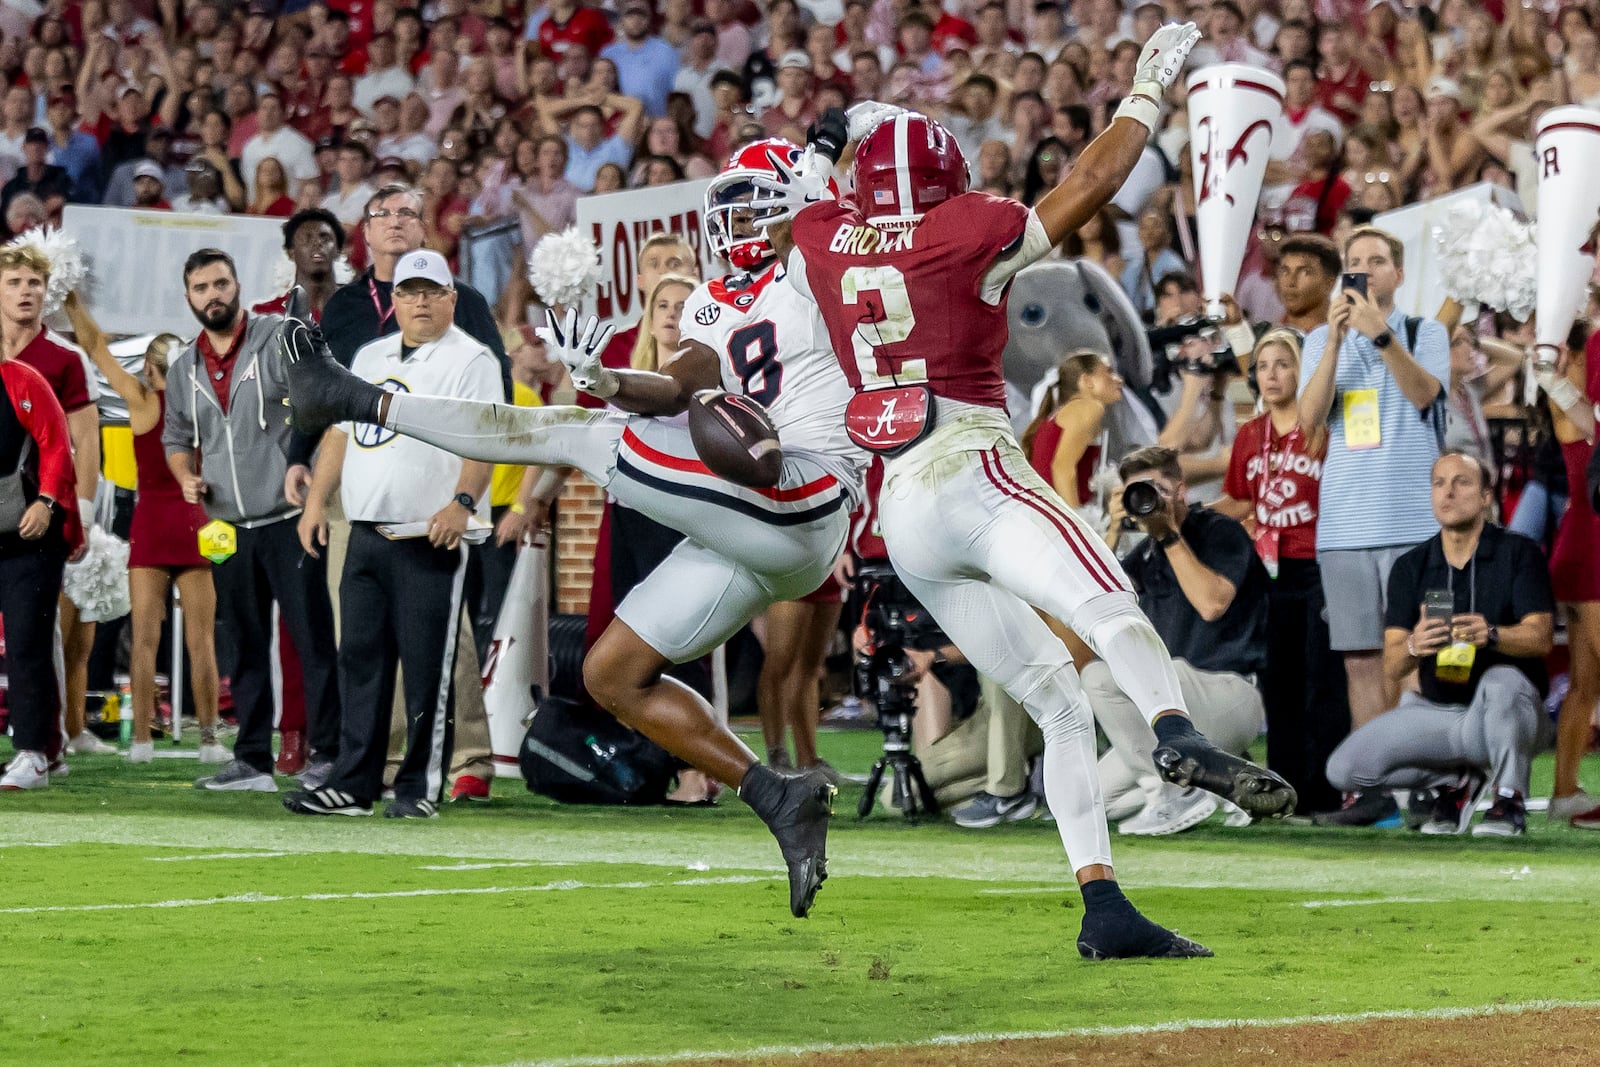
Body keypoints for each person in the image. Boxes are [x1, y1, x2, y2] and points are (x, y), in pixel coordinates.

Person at [757, 25, 1288, 960]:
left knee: (1058, 702)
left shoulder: (819, 238)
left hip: (901, 513)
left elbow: (809, 186)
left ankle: (1103, 904)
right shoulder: (968, 228)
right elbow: (1089, 184)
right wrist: (1146, 90)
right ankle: (1176, 732)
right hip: (970, 465)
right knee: (1111, 603)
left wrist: (833, 133)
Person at [283, 140, 861, 918]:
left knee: (570, 433)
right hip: (753, 520)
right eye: (730, 200)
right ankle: (778, 796)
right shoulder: (715, 300)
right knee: (610, 673)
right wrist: (608, 379)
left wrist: (828, 158)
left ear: (800, 201)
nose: (735, 217)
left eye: (757, 197)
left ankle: (357, 399)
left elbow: (843, 231)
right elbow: (681, 382)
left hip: (807, 489)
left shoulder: (824, 266)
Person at [299, 183, 510, 800]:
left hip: (431, 521)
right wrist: (316, 498)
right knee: (360, 651)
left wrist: (466, 502)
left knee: (436, 655)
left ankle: (440, 771)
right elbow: (337, 423)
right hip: (362, 516)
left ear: (449, 295)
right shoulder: (358, 337)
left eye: (430, 292)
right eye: (409, 293)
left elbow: (489, 429)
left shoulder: (469, 341)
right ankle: (361, 777)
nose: (419, 302)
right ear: (394, 298)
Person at [163, 249, 341, 792]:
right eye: (201, 287)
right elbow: (175, 438)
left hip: (288, 517)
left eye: (220, 283)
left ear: (237, 285)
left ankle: (330, 754)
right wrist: (184, 479)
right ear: (189, 297)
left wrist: (303, 470)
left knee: (312, 638)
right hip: (223, 527)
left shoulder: (276, 338)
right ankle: (252, 761)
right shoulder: (182, 368)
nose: (213, 294)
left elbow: (317, 406)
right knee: (240, 640)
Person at [1297, 226, 1449, 819]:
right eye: (1354, 263)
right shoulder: (1318, 340)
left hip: (1418, 527)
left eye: (1376, 261)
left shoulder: (1423, 332)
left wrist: (1379, 335)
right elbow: (1309, 419)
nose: (1364, 270)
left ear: (1397, 274)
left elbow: (1425, 395)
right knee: (1361, 660)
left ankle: (1430, 786)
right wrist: (1334, 341)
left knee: (1423, 653)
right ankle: (1375, 791)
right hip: (1344, 527)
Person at [1324, 453, 1555, 837]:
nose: (1448, 492)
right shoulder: (1411, 565)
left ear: (1485, 496)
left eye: (1461, 482)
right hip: (1442, 715)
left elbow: (1542, 637)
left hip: (1513, 714)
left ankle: (1508, 801)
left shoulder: (1517, 552)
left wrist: (1493, 634)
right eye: (1439, 483)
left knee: (1501, 681)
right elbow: (1393, 665)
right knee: (1344, 769)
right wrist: (1415, 644)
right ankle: (1455, 778)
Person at [63, 294, 225, 765]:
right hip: (198, 525)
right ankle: (211, 739)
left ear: (151, 371)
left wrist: (72, 300)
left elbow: (94, 347)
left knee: (145, 637)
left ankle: (141, 742)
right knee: (201, 641)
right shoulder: (206, 405)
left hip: (152, 526)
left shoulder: (141, 402)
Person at [1085, 446, 1269, 835]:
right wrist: (1114, 530)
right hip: (1175, 715)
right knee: (1093, 799)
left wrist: (1169, 535)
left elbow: (1211, 604)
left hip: (1225, 693)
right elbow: (1095, 604)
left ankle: (1170, 792)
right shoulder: (1146, 552)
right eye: (1138, 492)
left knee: (1099, 677)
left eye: (1156, 489)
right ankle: (1219, 785)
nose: (1149, 500)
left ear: (1181, 491)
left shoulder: (1218, 531)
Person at [1216, 329, 1348, 815]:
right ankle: (1284, 792)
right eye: (1264, 366)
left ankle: (1325, 792)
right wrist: (1188, 518)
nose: (1272, 374)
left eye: (1283, 364)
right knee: (1279, 683)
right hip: (1268, 572)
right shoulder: (1250, 435)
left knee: (1323, 681)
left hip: (1318, 565)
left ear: (1301, 370)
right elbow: (1240, 499)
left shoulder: (1322, 431)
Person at [0, 244, 104, 761]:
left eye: (34, 284)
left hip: (44, 517)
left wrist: (81, 513)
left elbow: (86, 440)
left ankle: (48, 743)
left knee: (38, 634)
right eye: (15, 282)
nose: (26, 292)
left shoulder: (66, 359)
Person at [0, 352, 83, 789]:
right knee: (26, 646)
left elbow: (56, 445)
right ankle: (49, 751)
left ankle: (33, 754)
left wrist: (47, 501)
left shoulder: (24, 381)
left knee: (27, 644)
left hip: (29, 539)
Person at [1022, 352, 1122, 511]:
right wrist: (1079, 524)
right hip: (1057, 517)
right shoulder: (1088, 407)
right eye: (1108, 372)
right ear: (1086, 380)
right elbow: (1061, 468)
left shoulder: (1063, 412)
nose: (1118, 379)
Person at [253, 209, 345, 321]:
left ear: (338, 250)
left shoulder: (360, 308)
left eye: (325, 238)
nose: (317, 243)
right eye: (306, 238)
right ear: (290, 252)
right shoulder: (267, 314)